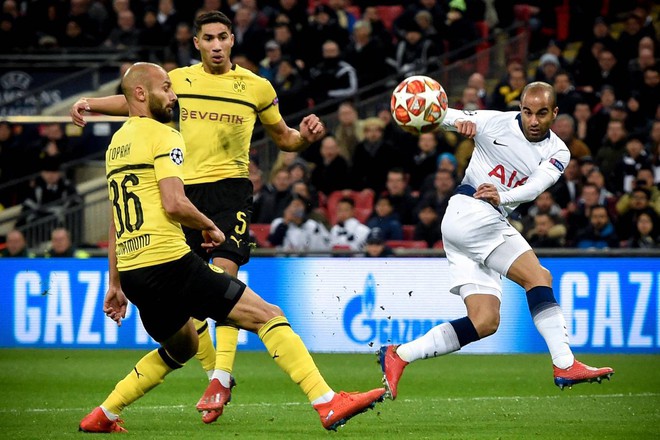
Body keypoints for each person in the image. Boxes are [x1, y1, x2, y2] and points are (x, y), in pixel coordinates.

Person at [78, 62, 384, 434]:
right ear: (141, 94)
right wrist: (209, 226)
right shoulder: (167, 137)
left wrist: (115, 282)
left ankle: (104, 413)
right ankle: (327, 402)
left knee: (183, 347)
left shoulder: (116, 145)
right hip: (169, 263)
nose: (174, 96)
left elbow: (115, 218)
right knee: (266, 314)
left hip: (134, 273)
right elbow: (174, 202)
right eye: (166, 89)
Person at [70, 11, 327, 425]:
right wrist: (91, 104)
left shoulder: (257, 87)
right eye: (208, 38)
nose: (216, 45)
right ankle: (212, 374)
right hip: (183, 194)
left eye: (223, 37)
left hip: (230, 190)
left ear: (232, 39)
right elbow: (135, 99)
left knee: (225, 274)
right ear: (197, 43)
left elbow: (285, 138)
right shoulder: (178, 83)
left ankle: (220, 377)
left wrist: (307, 138)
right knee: (202, 306)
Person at [378, 82, 614, 401]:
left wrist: (503, 196)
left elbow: (535, 187)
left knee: (485, 321)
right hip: (472, 212)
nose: (532, 120)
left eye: (541, 113)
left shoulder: (558, 151)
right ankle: (565, 364)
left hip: (474, 221)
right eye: (527, 111)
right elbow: (446, 114)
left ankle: (400, 354)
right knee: (538, 278)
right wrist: (427, 114)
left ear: (554, 114)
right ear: (520, 108)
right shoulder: (494, 121)